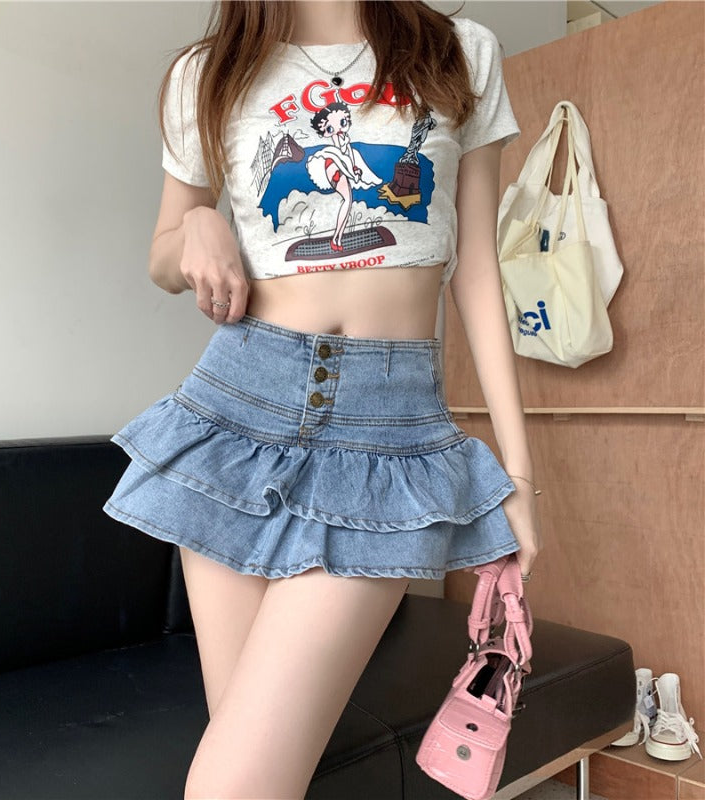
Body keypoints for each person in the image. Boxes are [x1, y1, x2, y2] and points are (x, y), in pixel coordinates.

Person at [102, 1, 543, 797]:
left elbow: (477, 268)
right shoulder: (208, 71)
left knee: (237, 783)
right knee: (257, 771)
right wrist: (196, 224)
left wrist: (517, 474)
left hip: (385, 431)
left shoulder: (456, 51)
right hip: (237, 412)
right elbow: (163, 253)